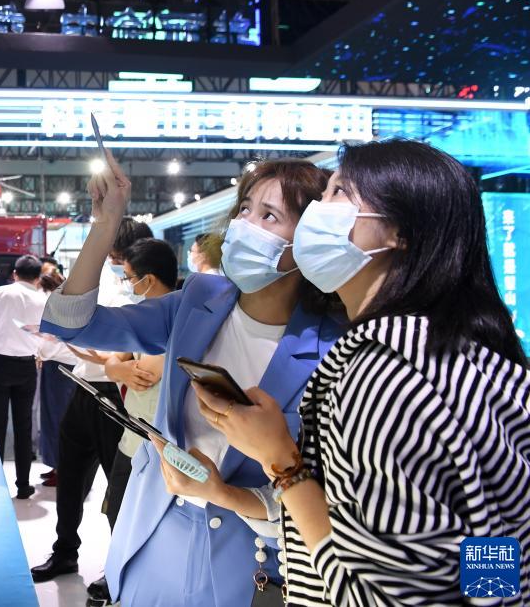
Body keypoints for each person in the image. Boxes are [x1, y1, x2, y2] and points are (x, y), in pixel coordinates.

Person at [198, 139, 530, 605]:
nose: (316, 212)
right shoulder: (468, 357)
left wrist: (281, 462)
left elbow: (377, 597)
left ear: (399, 233)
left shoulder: (384, 379)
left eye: (338, 192)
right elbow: (490, 537)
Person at [40, 153, 343, 606]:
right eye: (245, 208)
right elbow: (72, 324)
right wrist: (104, 227)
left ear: (310, 238)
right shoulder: (200, 298)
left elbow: (326, 493)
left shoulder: (333, 344)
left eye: (269, 216)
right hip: (151, 531)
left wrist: (226, 492)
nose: (246, 225)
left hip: (251, 561)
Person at [30, 217, 152, 591]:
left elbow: (120, 345)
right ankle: (65, 551)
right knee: (69, 478)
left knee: (120, 488)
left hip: (116, 397)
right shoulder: (102, 280)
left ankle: (119, 568)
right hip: (83, 387)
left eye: (110, 248)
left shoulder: (138, 289)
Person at [101, 237, 177, 531]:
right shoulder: (142, 316)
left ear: (149, 280)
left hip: (158, 446)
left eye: (129, 277)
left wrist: (118, 367)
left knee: (139, 526)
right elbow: (112, 363)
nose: (127, 284)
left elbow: (143, 375)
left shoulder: (176, 318)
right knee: (116, 516)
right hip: (130, 438)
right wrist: (117, 368)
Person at [0, 254, 48, 499]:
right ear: (38, 277)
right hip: (27, 367)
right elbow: (45, 337)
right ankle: (23, 486)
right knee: (24, 426)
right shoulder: (43, 300)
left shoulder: (0, 293)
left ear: (14, 274)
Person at [35, 263, 79, 486]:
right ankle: (57, 466)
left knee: (58, 418)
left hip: (60, 366)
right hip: (61, 365)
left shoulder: (56, 306)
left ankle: (63, 469)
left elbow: (53, 340)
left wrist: (40, 351)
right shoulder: (66, 303)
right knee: (54, 417)